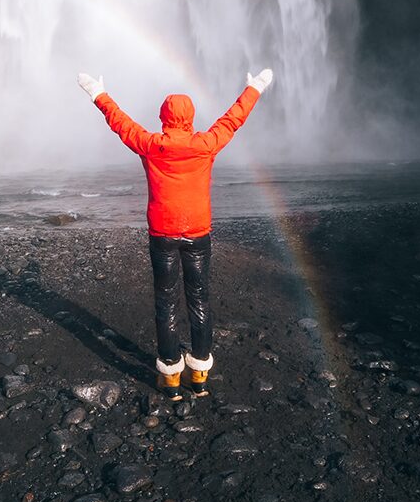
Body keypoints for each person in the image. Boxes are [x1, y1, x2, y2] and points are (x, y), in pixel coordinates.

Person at [76, 69, 273, 400]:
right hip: (197, 232)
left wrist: (97, 92)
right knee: (199, 300)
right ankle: (199, 376)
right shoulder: (206, 143)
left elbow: (119, 122)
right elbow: (233, 119)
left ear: (163, 117)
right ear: (191, 117)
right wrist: (255, 87)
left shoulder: (152, 144)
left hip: (162, 234)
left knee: (165, 302)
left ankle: (170, 376)